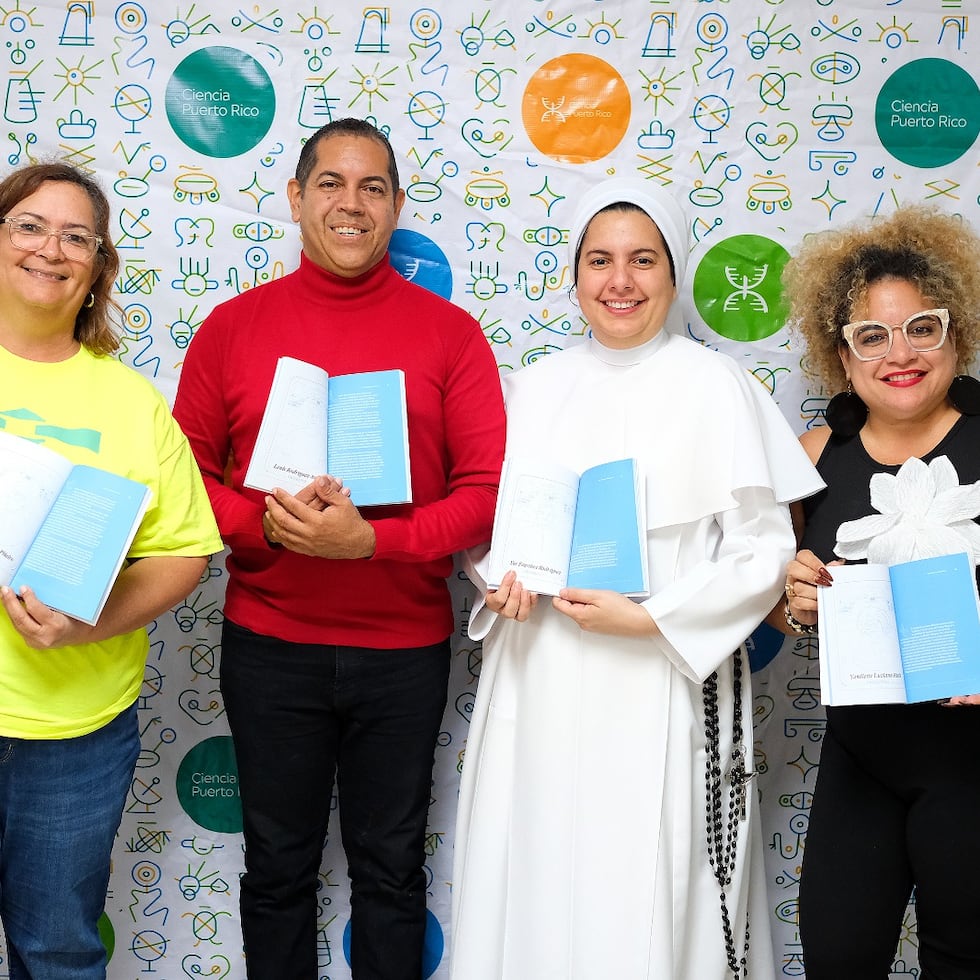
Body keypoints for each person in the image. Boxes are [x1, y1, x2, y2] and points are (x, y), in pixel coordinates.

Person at [449, 177, 824, 979]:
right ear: (575, 274)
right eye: (600, 260)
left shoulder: (719, 386)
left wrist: (655, 619)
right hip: (540, 667)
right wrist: (495, 578)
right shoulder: (529, 388)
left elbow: (763, 549)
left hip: (665, 674)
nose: (620, 281)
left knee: (655, 878)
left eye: (643, 260)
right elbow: (486, 525)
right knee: (539, 864)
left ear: (674, 272)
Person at [172, 117, 506, 980]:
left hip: (402, 654)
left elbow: (484, 495)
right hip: (269, 646)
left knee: (390, 873)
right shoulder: (231, 329)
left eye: (371, 187)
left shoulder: (451, 335)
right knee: (276, 870)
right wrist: (268, 527)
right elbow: (185, 479)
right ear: (296, 197)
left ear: (395, 206)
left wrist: (371, 543)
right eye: (330, 183)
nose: (350, 203)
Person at [0, 161, 221, 979]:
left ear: (97, 268)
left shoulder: (132, 403)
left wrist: (83, 625)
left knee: (58, 953)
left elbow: (184, 551)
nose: (49, 249)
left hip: (76, 735)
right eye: (29, 225)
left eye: (76, 237)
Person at [770, 204, 980, 979]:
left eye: (922, 327)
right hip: (861, 760)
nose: (901, 353)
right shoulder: (812, 455)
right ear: (842, 353)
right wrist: (794, 601)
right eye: (872, 335)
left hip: (973, 765)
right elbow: (779, 608)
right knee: (837, 961)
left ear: (956, 335)